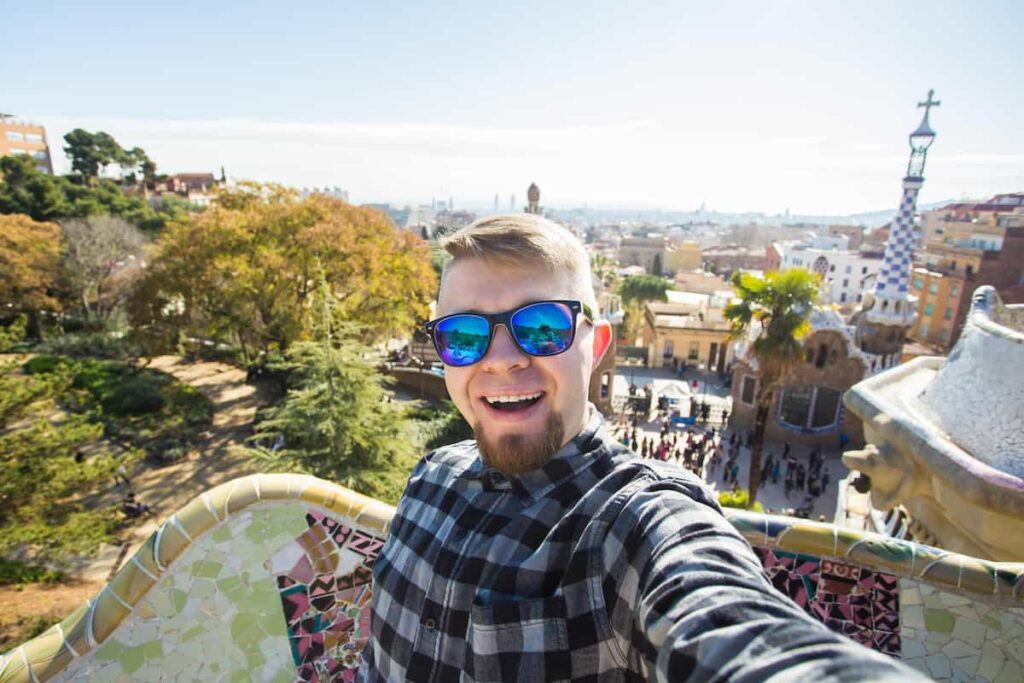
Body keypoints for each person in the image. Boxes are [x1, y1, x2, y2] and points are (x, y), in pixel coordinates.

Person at [359, 215, 920, 682]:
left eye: (542, 327)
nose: (501, 359)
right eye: (463, 335)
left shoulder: (632, 524)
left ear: (596, 345)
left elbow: (725, 617)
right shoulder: (428, 478)